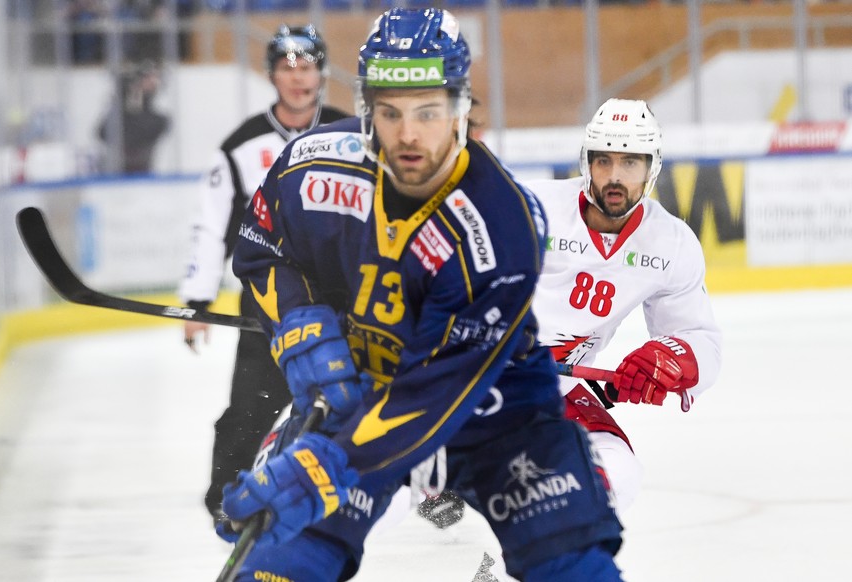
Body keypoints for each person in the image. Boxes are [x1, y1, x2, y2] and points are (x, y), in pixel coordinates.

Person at [222, 8, 623, 581]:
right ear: (366, 111)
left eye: (428, 112)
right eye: (390, 113)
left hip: (495, 412)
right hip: (360, 395)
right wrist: (301, 325)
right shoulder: (310, 168)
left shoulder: (502, 226)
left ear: (461, 110)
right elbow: (264, 246)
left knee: (571, 566)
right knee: (279, 567)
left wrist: (324, 465)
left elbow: (433, 394)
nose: (408, 134)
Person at [177, 24, 347, 525]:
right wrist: (197, 302)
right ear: (271, 74)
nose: (298, 77)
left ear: (322, 71)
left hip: (340, 297)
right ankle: (225, 495)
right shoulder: (240, 145)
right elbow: (209, 225)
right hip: (267, 296)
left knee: (350, 395)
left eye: (307, 65)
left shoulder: (350, 132)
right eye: (287, 67)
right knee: (253, 402)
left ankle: (373, 488)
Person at [527, 98, 722, 513]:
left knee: (616, 471)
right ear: (586, 162)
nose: (614, 177)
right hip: (470, 377)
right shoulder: (532, 208)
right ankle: (437, 482)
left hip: (555, 387)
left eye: (630, 163)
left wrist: (672, 359)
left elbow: (700, 339)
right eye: (604, 161)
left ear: (652, 168)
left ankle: (510, 564)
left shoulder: (671, 243)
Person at [97, 60, 170, 174]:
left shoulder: (159, 121)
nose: (153, 82)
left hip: (142, 174)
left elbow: (139, 134)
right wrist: (123, 99)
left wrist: (133, 103)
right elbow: (102, 133)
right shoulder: (118, 114)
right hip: (113, 175)